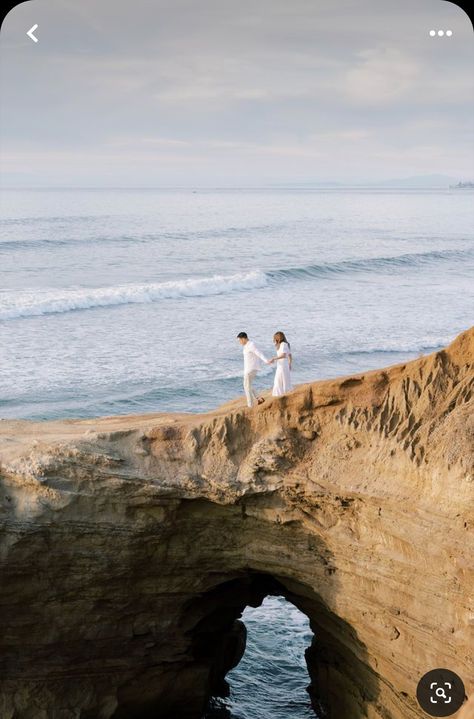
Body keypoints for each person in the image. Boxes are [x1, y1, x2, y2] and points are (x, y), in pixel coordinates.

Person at [237, 332, 270, 407]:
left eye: (240, 340)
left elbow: (259, 353)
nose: (239, 342)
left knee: (247, 387)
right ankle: (259, 398)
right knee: (248, 385)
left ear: (243, 338)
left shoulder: (251, 345)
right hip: (249, 368)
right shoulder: (246, 346)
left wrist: (266, 361)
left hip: (251, 369)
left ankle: (250, 405)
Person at [269, 331, 292, 397]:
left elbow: (284, 355)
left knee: (279, 379)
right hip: (281, 364)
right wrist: (290, 363)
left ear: (278, 338)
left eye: (275, 338)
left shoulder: (284, 344)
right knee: (281, 379)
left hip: (283, 364)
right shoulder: (282, 344)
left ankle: (279, 394)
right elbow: (290, 355)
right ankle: (281, 394)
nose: (274, 339)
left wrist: (274, 358)